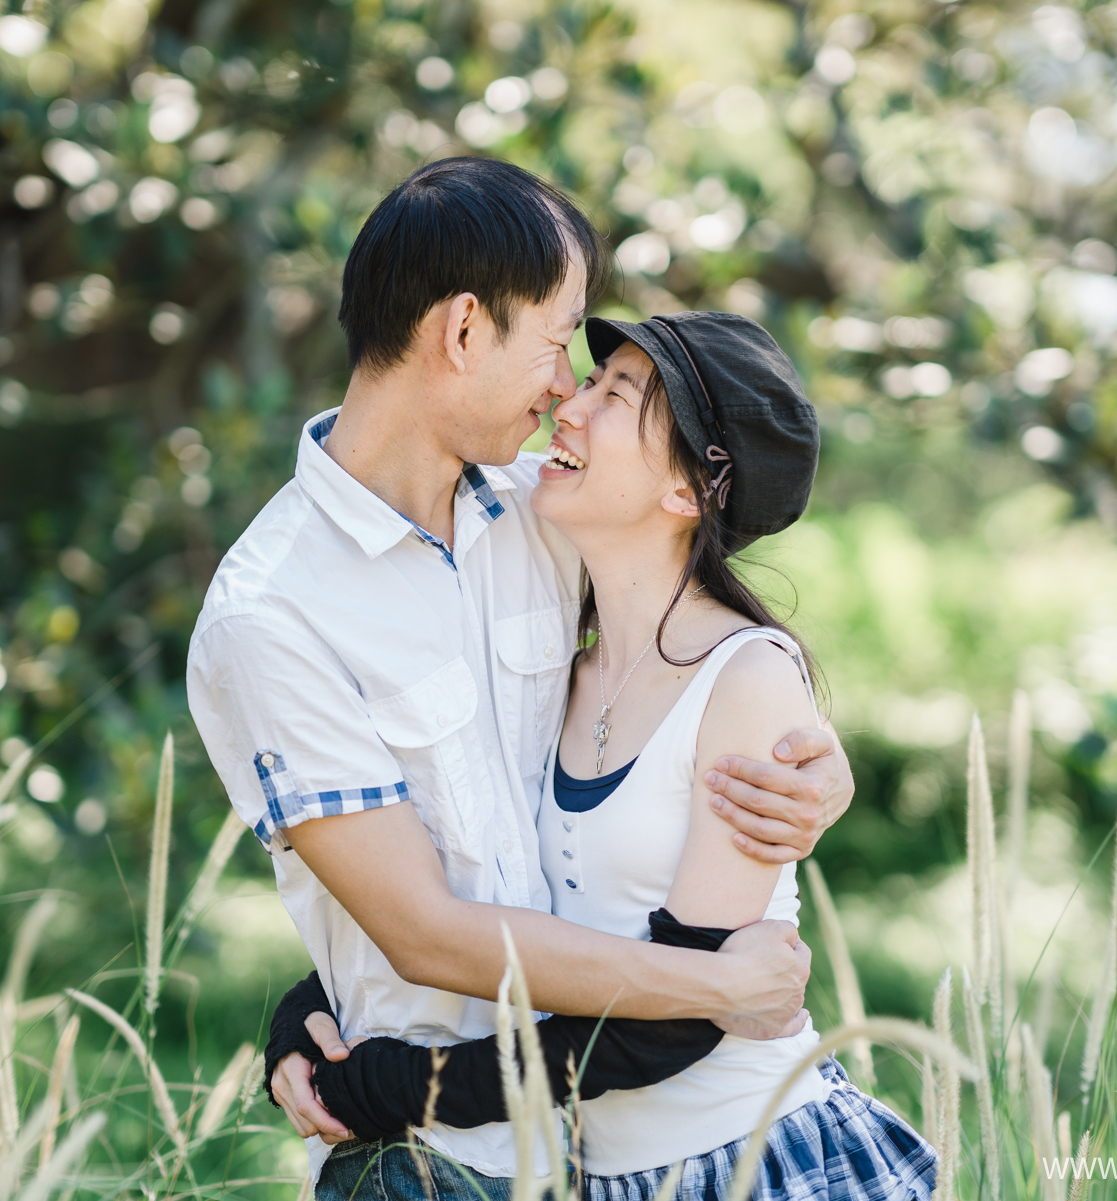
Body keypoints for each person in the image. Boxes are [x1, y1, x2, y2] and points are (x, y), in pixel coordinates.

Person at [186, 156, 854, 1199]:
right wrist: (719, 986)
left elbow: (685, 666)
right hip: (424, 1156)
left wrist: (817, 770)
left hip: (584, 1150)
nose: (564, 391)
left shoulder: (536, 524)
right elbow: (421, 926)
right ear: (462, 332)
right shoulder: (271, 614)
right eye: (558, 342)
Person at [268, 313, 938, 1201]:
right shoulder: (552, 664)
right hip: (599, 1176)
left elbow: (682, 1022)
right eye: (587, 381)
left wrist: (393, 1086)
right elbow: (488, 891)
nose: (567, 408)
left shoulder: (743, 680)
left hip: (748, 1161)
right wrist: (310, 1021)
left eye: (614, 396)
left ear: (691, 490)